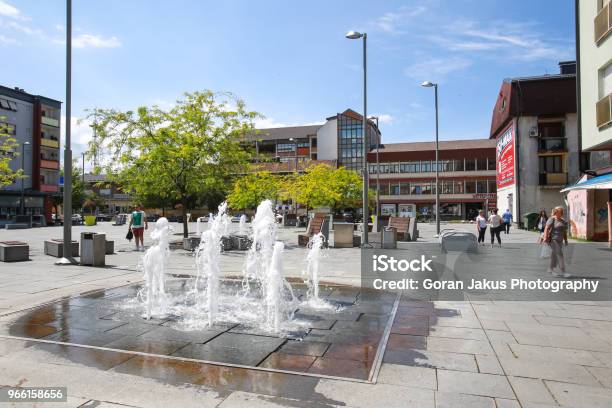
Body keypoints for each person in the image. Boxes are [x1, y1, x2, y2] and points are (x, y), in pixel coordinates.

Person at [543, 206, 569, 278]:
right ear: (556, 212)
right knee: (560, 255)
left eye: (562, 212)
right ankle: (563, 272)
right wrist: (545, 237)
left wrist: (566, 240)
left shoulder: (563, 221)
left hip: (560, 241)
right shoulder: (552, 219)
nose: (562, 213)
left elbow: (564, 232)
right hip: (553, 240)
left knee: (554, 256)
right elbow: (546, 228)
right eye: (560, 212)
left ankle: (551, 269)